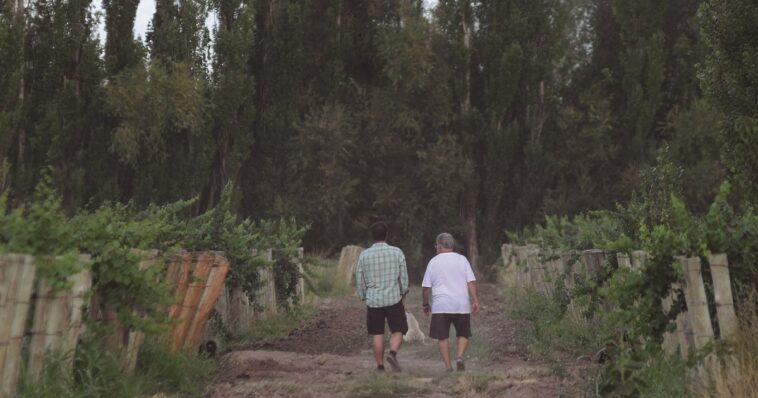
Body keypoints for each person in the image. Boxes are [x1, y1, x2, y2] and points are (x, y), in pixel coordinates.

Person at [421, 232, 480, 372]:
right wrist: (475, 300)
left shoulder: (433, 262)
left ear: (440, 246)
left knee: (442, 337)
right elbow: (471, 281)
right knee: (463, 334)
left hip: (441, 306)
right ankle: (459, 357)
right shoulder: (462, 260)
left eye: (436, 246)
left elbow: (426, 288)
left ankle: (448, 367)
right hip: (461, 304)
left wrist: (425, 304)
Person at [356, 221, 410, 372]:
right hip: (394, 298)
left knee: (377, 334)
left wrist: (363, 295)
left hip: (374, 301)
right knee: (399, 330)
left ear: (372, 236)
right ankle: (392, 353)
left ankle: (380, 367)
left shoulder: (364, 255)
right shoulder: (397, 252)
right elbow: (404, 276)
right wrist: (403, 291)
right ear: (386, 235)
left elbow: (359, 279)